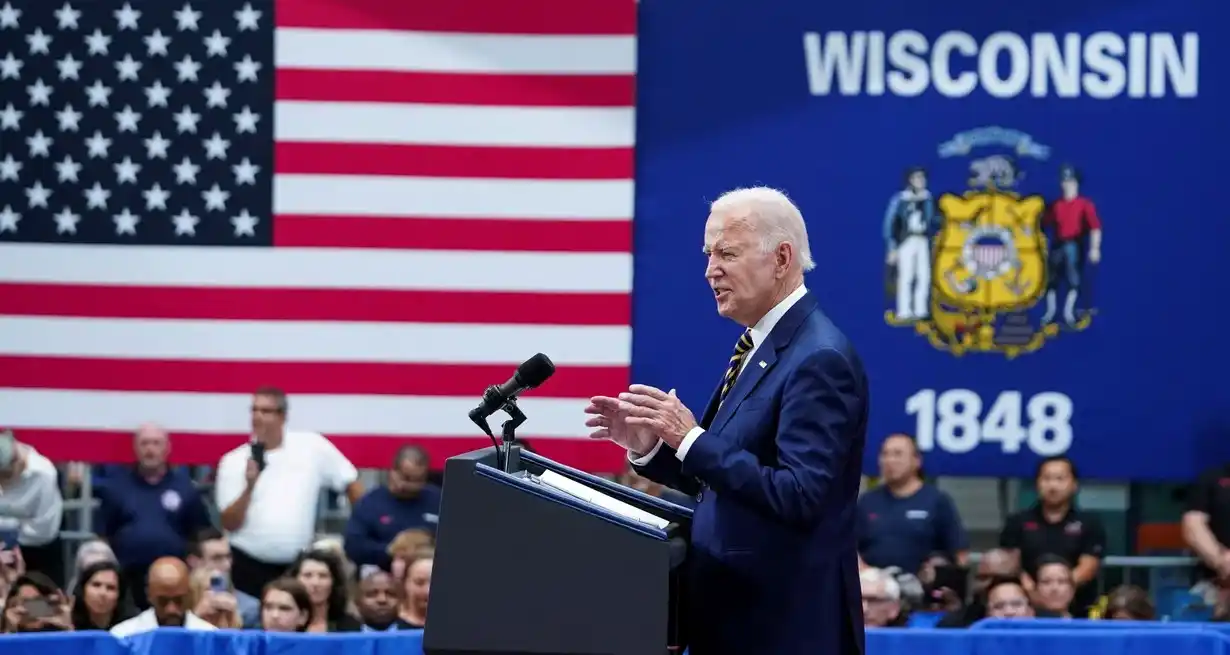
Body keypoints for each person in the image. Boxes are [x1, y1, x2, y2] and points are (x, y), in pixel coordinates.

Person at [586, 187, 868, 655]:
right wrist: (654, 449)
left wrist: (691, 438)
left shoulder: (819, 358)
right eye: (708, 254)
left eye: (727, 253)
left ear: (781, 258)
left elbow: (799, 496)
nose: (710, 269)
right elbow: (725, 483)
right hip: (737, 618)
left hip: (784, 626)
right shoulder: (762, 344)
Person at [215, 387, 363, 597]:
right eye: (254, 410)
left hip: (297, 567)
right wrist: (250, 486)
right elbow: (229, 523)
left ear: (282, 416)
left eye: (266, 411)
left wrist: (359, 531)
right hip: (247, 566)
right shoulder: (233, 461)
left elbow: (351, 482)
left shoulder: (311, 447)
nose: (258, 416)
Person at [95, 423, 213, 608]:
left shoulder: (186, 488)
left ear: (167, 448)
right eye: (145, 443)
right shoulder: (115, 488)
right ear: (136, 448)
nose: (150, 449)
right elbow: (102, 535)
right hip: (128, 579)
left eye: (156, 443)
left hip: (175, 580)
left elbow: (201, 533)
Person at [344, 445, 441, 572]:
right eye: (406, 478)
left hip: (429, 575)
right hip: (382, 576)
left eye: (418, 480)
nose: (411, 486)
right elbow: (352, 546)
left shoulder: (438, 500)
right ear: (393, 471)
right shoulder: (370, 502)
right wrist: (390, 550)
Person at [110, 557, 216, 637]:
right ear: (149, 595)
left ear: (189, 595)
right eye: (163, 601)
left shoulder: (210, 636)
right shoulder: (123, 636)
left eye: (178, 600)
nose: (171, 610)